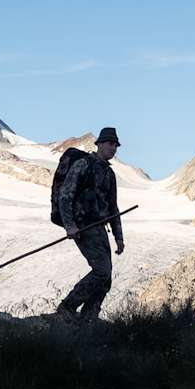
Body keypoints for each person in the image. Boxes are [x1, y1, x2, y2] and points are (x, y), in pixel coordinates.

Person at [55, 127, 125, 320]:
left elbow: (113, 208)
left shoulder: (109, 175)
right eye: (110, 144)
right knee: (102, 271)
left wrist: (119, 238)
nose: (113, 148)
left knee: (106, 277)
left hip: (100, 227)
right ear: (100, 144)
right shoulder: (82, 165)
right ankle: (67, 307)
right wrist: (69, 225)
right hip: (83, 227)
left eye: (115, 145)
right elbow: (65, 196)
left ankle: (89, 316)